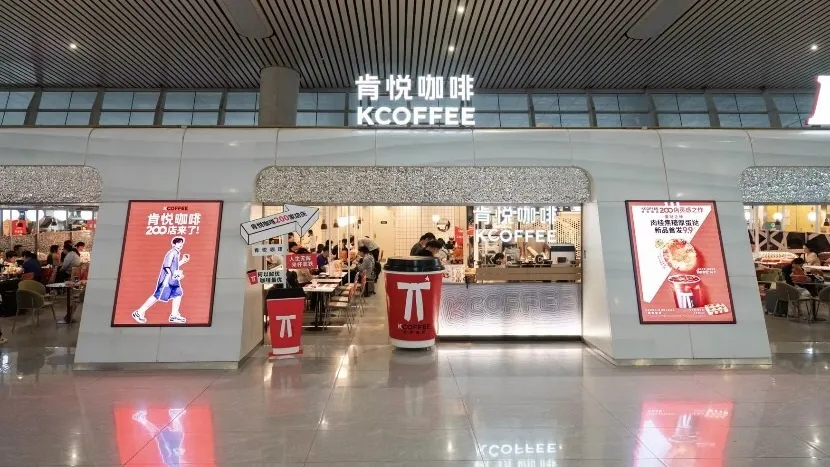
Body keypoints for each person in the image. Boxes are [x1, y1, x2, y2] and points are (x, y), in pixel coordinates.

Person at [131, 236, 190, 324]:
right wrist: (171, 276)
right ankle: (139, 312)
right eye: (179, 243)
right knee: (157, 296)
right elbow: (167, 266)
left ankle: (174, 315)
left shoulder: (176, 253)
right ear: (174, 244)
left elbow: (174, 266)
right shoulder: (172, 252)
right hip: (167, 280)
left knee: (178, 293)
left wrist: (183, 261)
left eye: (182, 243)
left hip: (173, 280)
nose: (181, 244)